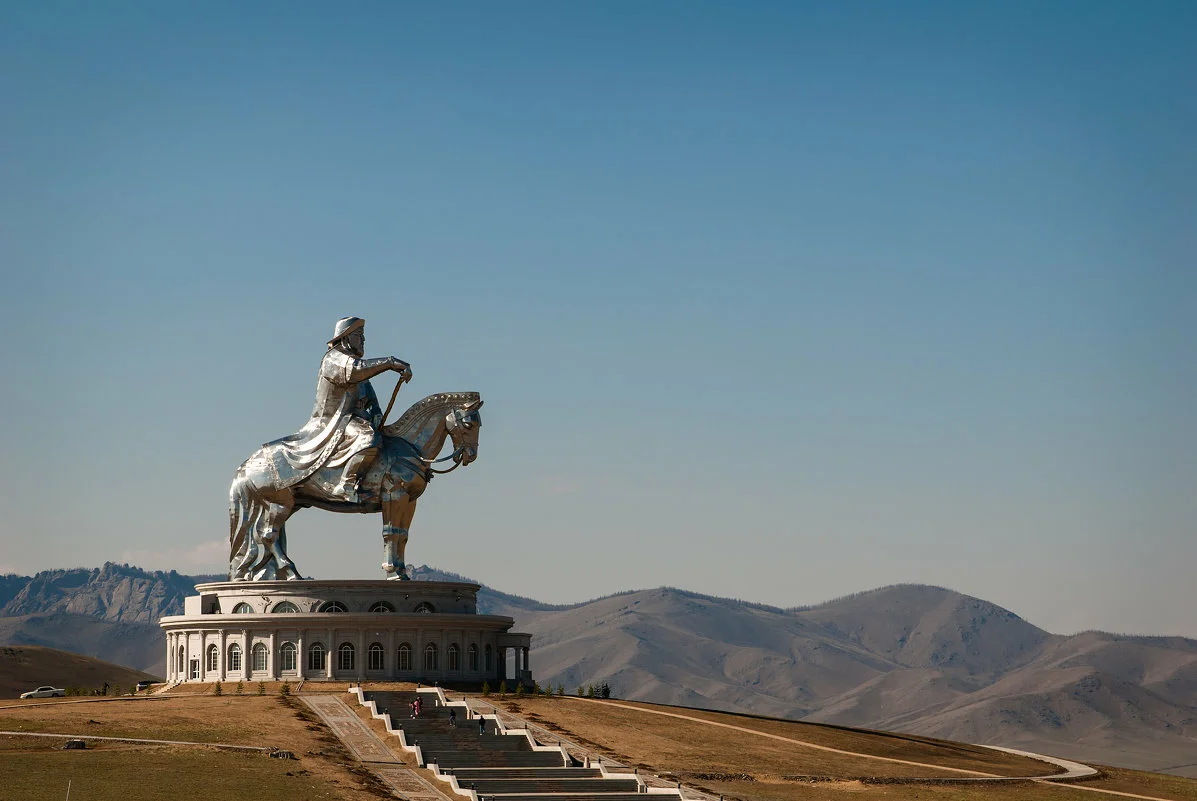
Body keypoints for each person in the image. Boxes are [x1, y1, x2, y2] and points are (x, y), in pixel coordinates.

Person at [272, 316, 411, 502]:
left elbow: (369, 395)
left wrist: (376, 411)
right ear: (345, 338)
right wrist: (389, 363)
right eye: (359, 335)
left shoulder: (355, 366)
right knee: (368, 438)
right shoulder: (335, 359)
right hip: (335, 422)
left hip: (352, 420)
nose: (363, 340)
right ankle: (345, 484)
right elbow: (355, 371)